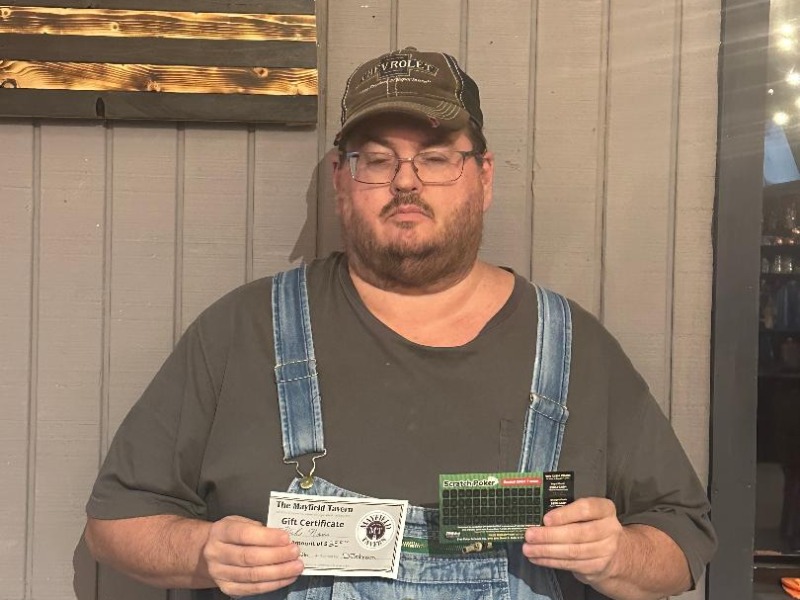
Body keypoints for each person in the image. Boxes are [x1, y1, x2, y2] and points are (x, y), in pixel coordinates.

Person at [83, 47, 717, 600]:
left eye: (436, 158)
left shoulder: (573, 349)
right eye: (377, 160)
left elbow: (681, 542)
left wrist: (616, 556)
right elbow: (115, 523)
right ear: (341, 180)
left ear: (484, 178)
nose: (406, 182)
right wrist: (203, 553)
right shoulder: (242, 333)